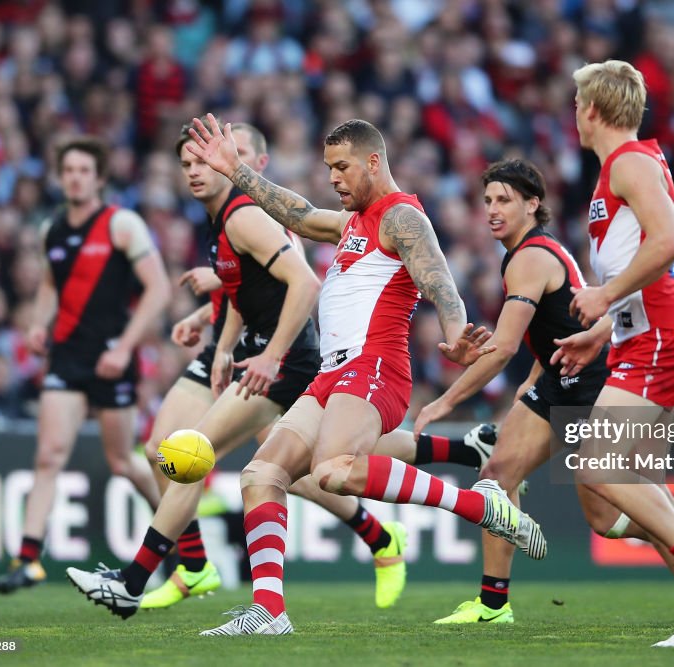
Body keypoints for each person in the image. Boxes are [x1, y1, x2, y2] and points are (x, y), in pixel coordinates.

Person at [183, 115, 541, 637]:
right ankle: (269, 613)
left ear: (374, 162)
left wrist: (458, 331)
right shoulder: (353, 221)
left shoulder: (402, 217)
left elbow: (437, 277)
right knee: (260, 477)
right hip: (332, 375)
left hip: (375, 365)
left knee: (332, 470)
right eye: (329, 168)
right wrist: (236, 170)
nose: (334, 178)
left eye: (343, 167)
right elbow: (301, 215)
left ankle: (480, 503)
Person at [411, 159, 674, 628]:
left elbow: (505, 344)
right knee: (498, 476)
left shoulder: (530, 256)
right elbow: (553, 328)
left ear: (533, 205)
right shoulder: (527, 253)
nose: (492, 209)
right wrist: (532, 383)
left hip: (595, 379)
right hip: (558, 378)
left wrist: (444, 401)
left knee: (609, 516)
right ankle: (492, 605)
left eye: (504, 200)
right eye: (487, 200)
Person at [65, 119, 367, 619]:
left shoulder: (242, 217)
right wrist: (224, 344)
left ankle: (136, 580)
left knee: (190, 458)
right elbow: (242, 294)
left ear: (230, 164)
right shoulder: (219, 218)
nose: (194, 171)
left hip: (283, 360)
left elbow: (306, 284)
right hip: (259, 354)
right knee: (188, 457)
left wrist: (271, 356)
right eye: (186, 164)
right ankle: (463, 453)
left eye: (203, 161)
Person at [128, 123, 411, 613]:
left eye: (230, 155)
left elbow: (295, 281)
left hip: (274, 356)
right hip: (233, 349)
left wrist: (263, 350)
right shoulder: (221, 217)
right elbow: (244, 289)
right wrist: (210, 318)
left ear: (256, 165)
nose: (211, 163)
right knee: (229, 461)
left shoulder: (253, 213)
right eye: (197, 160)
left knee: (251, 462)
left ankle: (158, 572)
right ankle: (194, 566)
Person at [551, 60, 674, 646]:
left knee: (595, 463)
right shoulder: (627, 164)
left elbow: (670, 242)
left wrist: (604, 295)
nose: (573, 114)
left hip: (659, 335)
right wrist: (604, 326)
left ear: (592, 109)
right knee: (605, 510)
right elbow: (644, 263)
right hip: (642, 334)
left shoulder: (629, 163)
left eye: (577, 103)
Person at [0, 136, 171, 593]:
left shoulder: (121, 224)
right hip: (68, 358)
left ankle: (178, 538)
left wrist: (125, 347)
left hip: (112, 356)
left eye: (82, 170)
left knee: (121, 462)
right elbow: (51, 287)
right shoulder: (50, 230)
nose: (74, 177)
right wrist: (39, 324)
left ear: (99, 178)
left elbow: (158, 290)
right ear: (60, 176)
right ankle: (28, 558)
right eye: (68, 169)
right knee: (49, 456)